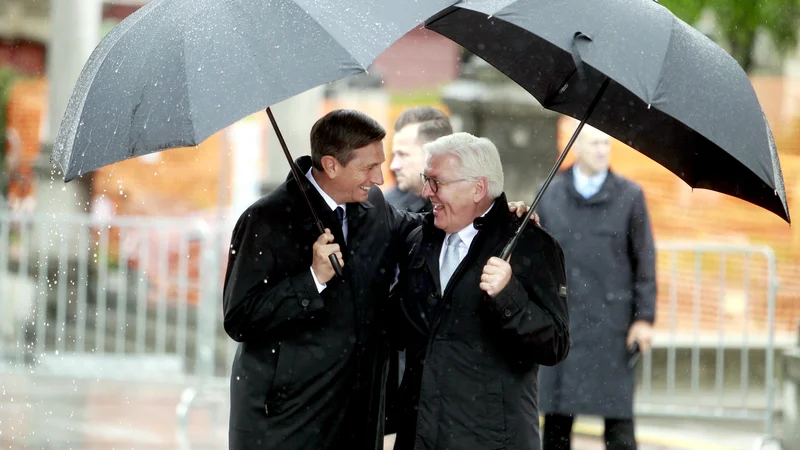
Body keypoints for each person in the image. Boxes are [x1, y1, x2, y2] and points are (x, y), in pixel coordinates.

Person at [223, 110, 533, 450]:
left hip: (356, 417)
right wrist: (311, 279)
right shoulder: (265, 221)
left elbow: (421, 228)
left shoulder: (371, 205)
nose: (380, 178)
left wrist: (490, 213)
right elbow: (240, 318)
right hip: (286, 422)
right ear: (331, 165)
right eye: (369, 167)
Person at [389, 132, 571, 450]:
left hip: (490, 439)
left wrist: (508, 295)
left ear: (478, 188)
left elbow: (554, 345)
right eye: (425, 179)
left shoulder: (530, 245)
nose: (425, 191)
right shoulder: (419, 239)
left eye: (436, 182)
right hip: (420, 436)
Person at [537, 125, 657, 450]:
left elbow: (645, 260)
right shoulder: (549, 194)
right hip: (565, 325)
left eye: (607, 143)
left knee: (619, 425)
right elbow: (535, 260)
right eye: (594, 144)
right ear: (576, 148)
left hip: (612, 327)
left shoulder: (630, 196)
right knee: (557, 424)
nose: (602, 150)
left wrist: (644, 319)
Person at [383, 106, 453, 443]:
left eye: (401, 154)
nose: (392, 164)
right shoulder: (381, 211)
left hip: (449, 396)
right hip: (399, 383)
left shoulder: (470, 220)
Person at [386, 106, 453, 214]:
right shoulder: (389, 208)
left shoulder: (472, 210)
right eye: (394, 155)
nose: (393, 166)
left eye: (403, 155)